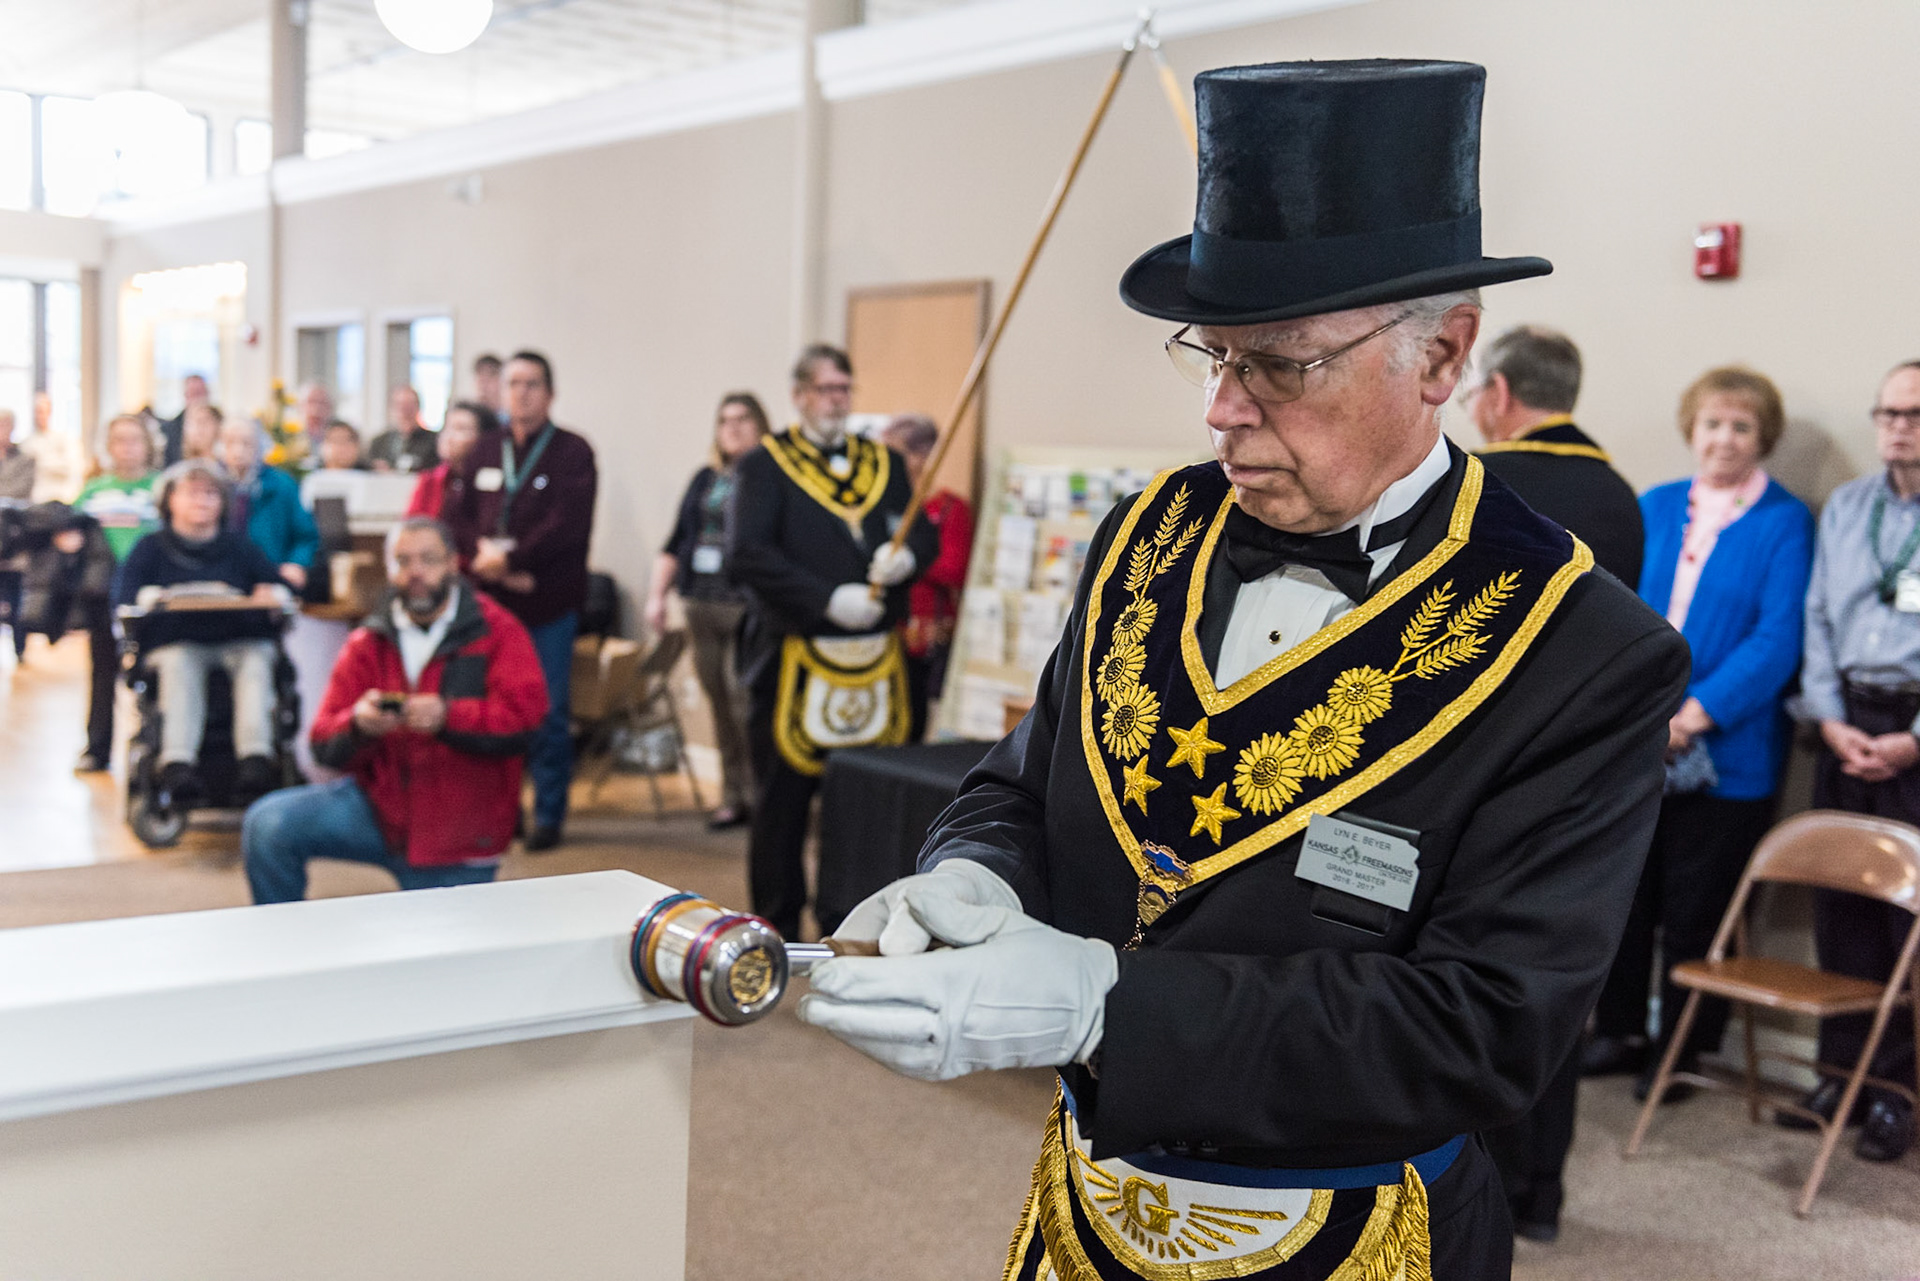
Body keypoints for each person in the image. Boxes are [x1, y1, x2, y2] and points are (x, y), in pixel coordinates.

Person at [794, 61, 1690, 1279]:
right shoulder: (1150, 528)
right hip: (1087, 1204)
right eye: (1211, 356)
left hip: (1356, 1230)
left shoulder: (1586, 649)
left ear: (1444, 359)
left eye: (1281, 363)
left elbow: (1482, 1031)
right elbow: (1021, 783)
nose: (1221, 411)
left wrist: (1107, 1002)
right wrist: (975, 875)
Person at [1456, 326, 1646, 1241]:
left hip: (1483, 783)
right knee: (1550, 993)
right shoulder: (1623, 496)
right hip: (1589, 789)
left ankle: (1480, 1186)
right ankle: (1541, 1198)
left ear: (1496, 394)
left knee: (1466, 984)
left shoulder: (1488, 487)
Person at [1589, 367, 1814, 1102]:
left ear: (1763, 439)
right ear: (1693, 429)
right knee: (1625, 901)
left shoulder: (1785, 522)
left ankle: (1680, 1048)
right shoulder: (1652, 505)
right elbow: (1614, 612)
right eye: (1713, 423)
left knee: (1697, 913)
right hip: (1637, 740)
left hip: (1729, 754)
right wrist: (1646, 713)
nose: (1724, 438)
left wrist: (1693, 714)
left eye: (1741, 427)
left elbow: (1778, 640)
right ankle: (1619, 1031)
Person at [727, 346, 936, 940]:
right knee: (782, 803)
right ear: (798, 395)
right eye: (826, 390)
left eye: (845, 388)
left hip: (876, 660)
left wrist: (908, 557)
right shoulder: (763, 467)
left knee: (865, 797)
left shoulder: (885, 462)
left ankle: (853, 915)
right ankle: (777, 919)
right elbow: (749, 554)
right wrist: (825, 598)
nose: (838, 401)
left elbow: (920, 529)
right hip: (793, 653)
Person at [242, 517, 548, 903]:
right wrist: (358, 724)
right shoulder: (368, 640)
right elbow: (322, 741)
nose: (415, 572)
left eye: (428, 560)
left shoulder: (498, 631)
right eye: (402, 561)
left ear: (454, 564)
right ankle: (282, 953)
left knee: (437, 958)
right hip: (379, 808)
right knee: (268, 824)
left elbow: (528, 720)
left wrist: (446, 716)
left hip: (459, 829)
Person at [1791, 359, 1920, 1163]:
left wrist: (1914, 738)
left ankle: (1894, 1097)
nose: (1899, 425)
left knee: (1903, 924)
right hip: (1844, 723)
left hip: (1912, 732)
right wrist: (1832, 721)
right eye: (1889, 412)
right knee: (1839, 912)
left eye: (1914, 412)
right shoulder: (1848, 507)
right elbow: (1816, 621)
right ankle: (1838, 1074)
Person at [443, 350, 596, 851]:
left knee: (547, 712)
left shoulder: (573, 453)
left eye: (532, 384)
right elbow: (457, 516)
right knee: (492, 710)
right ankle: (503, 810)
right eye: (513, 384)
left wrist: (515, 563)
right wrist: (481, 561)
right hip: (490, 604)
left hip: (546, 603)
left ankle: (549, 813)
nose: (521, 393)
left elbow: (568, 527)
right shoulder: (485, 450)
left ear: (549, 394)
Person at [115, 459, 288, 800]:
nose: (202, 501)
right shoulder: (150, 549)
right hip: (176, 642)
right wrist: (149, 597)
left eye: (211, 494)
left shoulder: (240, 547)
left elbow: (279, 587)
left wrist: (273, 593)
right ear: (170, 501)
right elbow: (124, 598)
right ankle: (177, 764)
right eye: (192, 493)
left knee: (256, 661)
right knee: (180, 663)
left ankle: (255, 759)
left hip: (239, 639)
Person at [646, 391, 770, 830]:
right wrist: (656, 596)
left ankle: (762, 797)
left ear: (760, 426)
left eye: (742, 419)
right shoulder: (705, 478)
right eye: (724, 420)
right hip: (700, 601)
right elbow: (676, 539)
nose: (732, 428)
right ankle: (732, 795)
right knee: (717, 702)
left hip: (745, 608)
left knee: (744, 703)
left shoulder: (768, 477)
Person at [69, 415, 161, 770]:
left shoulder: (159, 487)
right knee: (102, 670)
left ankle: (155, 746)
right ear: (109, 446)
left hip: (147, 593)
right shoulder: (94, 490)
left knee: (152, 669)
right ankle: (97, 747)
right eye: (119, 440)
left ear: (147, 445)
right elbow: (73, 531)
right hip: (101, 593)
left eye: (134, 440)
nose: (127, 448)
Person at [878, 412, 974, 741]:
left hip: (925, 635)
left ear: (921, 456)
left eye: (893, 453)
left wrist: (909, 559)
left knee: (913, 721)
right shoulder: (884, 508)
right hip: (885, 631)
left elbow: (955, 569)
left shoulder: (948, 508)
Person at [217, 416, 319, 593]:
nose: (238, 450)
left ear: (260, 446)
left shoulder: (282, 485)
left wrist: (297, 563)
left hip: (271, 574)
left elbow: (306, 535)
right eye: (230, 442)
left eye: (246, 443)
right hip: (220, 577)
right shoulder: (213, 485)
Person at [406, 400, 494, 519]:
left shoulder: (490, 483)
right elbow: (412, 526)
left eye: (461, 429)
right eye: (447, 427)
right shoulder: (430, 481)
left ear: (483, 438)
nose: (449, 436)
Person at [0, 409, 34, 660]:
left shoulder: (26, 459)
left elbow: (21, 492)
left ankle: (20, 649)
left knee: (16, 595)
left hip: (14, 536)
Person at [23, 392, 85, 504]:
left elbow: (73, 467)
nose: (39, 416)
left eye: (42, 411)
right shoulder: (28, 443)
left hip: (65, 497)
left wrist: (41, 463)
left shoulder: (67, 438)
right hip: (38, 501)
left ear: (50, 411)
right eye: (36, 412)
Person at [367, 385, 439, 475]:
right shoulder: (379, 442)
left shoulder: (435, 441)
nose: (404, 410)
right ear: (392, 408)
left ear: (418, 407)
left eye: (409, 405)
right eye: (400, 405)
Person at [159, 373, 211, 466]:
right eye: (193, 393)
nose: (197, 399)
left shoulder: (220, 425)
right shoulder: (169, 429)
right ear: (185, 395)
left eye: (200, 393)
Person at [472, 353, 504, 419]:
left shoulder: (511, 421)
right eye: (480, 376)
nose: (484, 384)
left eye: (491, 375)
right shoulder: (469, 418)